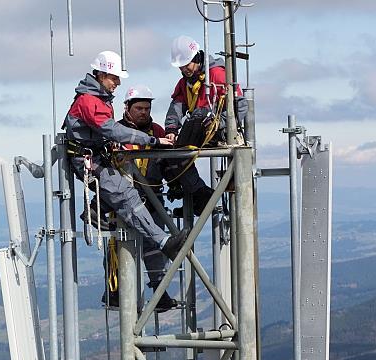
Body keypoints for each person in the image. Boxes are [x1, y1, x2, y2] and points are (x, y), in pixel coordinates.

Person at [64, 51, 188, 307]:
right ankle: (163, 244)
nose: (117, 83)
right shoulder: (89, 101)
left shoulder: (98, 99)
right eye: (114, 77)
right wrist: (151, 141)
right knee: (125, 195)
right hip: (89, 160)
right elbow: (111, 130)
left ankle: (159, 281)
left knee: (126, 200)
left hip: (103, 162)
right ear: (101, 74)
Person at [162, 35, 249, 215]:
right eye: (181, 66)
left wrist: (221, 123)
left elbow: (240, 105)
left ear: (196, 58)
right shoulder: (185, 83)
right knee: (169, 157)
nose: (184, 69)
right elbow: (176, 106)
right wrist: (171, 129)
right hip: (199, 129)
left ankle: (201, 196)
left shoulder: (217, 74)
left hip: (216, 131)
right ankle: (200, 195)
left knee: (197, 120)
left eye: (186, 65)